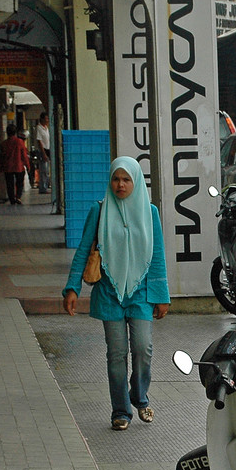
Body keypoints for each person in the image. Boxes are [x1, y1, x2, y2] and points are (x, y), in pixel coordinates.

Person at [62, 157, 171, 431]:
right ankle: (121, 411)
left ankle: (139, 395)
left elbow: (156, 255)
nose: (120, 185)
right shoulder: (99, 211)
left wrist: (162, 295)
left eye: (126, 179)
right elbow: (83, 251)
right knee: (117, 354)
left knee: (143, 349)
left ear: (135, 181)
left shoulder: (150, 212)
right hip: (109, 292)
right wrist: (72, 288)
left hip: (141, 293)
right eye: (116, 179)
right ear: (109, 182)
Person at [0, 123, 30, 205]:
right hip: (18, 166)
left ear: (7, 132)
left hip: (8, 167)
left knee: (9, 184)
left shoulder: (4, 143)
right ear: (15, 132)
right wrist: (27, 165)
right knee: (19, 182)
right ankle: (18, 197)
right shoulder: (19, 142)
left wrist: (1, 167)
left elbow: (2, 156)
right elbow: (24, 155)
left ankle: (12, 199)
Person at [35, 111, 51, 194]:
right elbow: (39, 141)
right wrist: (43, 153)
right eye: (46, 118)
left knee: (47, 170)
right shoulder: (39, 128)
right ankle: (43, 188)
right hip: (42, 150)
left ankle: (46, 186)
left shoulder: (46, 128)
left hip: (48, 149)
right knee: (43, 170)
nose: (47, 120)